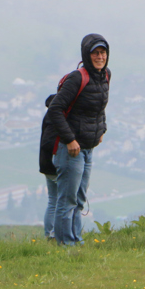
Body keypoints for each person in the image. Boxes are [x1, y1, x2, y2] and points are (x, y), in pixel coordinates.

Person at [41, 34, 110, 245]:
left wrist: (101, 131)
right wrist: (70, 139)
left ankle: (76, 241)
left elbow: (99, 108)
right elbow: (55, 109)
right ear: (87, 55)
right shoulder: (78, 78)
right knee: (67, 199)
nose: (100, 56)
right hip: (71, 149)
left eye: (103, 52)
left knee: (79, 199)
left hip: (88, 147)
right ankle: (65, 245)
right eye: (95, 53)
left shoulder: (105, 75)